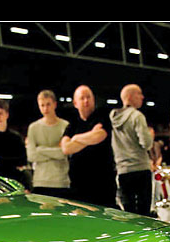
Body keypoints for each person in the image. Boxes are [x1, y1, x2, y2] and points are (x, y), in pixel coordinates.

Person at [61, 85, 116, 208]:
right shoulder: (72, 124)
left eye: (88, 97)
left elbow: (99, 136)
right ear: (75, 103)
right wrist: (89, 137)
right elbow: (66, 148)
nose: (86, 101)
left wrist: (76, 138)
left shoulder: (102, 117)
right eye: (82, 98)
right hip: (79, 183)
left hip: (103, 182)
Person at [109, 84, 155, 215]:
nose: (142, 97)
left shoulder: (113, 117)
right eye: (139, 94)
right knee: (144, 213)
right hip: (140, 168)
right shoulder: (137, 116)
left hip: (123, 170)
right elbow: (146, 143)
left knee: (129, 213)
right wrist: (150, 135)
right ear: (129, 97)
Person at [26, 90, 70, 197]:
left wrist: (40, 149)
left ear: (55, 104)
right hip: (40, 181)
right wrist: (55, 151)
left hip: (61, 181)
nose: (45, 108)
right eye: (42, 105)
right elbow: (31, 156)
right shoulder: (33, 128)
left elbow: (64, 153)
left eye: (48, 104)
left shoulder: (65, 126)